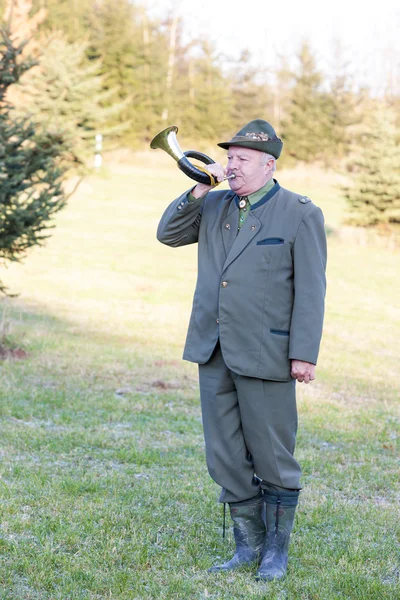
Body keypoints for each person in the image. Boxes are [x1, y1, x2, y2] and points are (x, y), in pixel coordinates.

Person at [156, 119, 327, 581]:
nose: (231, 166)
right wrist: (196, 189)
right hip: (213, 349)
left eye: (241, 160)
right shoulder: (213, 205)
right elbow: (168, 235)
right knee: (225, 456)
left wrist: (303, 353)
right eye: (229, 158)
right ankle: (246, 547)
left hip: (266, 352)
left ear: (269, 165)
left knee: (272, 455)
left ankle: (275, 553)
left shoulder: (300, 212)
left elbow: (312, 290)